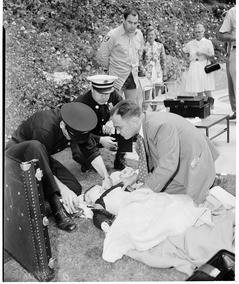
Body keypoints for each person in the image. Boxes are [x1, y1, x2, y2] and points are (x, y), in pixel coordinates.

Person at [5, 102, 113, 232]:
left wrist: (106, 177)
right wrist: (61, 189)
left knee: (74, 188)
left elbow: (91, 151)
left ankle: (41, 198)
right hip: (16, 159)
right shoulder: (44, 127)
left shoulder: (75, 124)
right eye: (73, 137)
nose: (76, 141)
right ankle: (57, 209)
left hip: (41, 157)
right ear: (62, 125)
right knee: (36, 147)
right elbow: (36, 158)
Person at [110, 99, 220, 205]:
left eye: (119, 128)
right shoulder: (146, 123)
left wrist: (145, 189)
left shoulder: (159, 126)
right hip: (183, 162)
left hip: (195, 166)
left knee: (163, 200)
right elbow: (153, 159)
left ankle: (211, 184)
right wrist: (134, 177)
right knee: (157, 193)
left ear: (133, 121)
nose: (118, 132)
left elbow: (167, 166)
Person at [72, 75, 133, 172]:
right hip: (87, 135)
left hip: (107, 131)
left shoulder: (113, 95)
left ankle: (120, 158)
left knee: (127, 127)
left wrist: (113, 121)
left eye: (107, 93)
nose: (104, 97)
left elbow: (127, 111)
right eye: (100, 93)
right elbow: (78, 131)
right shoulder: (81, 104)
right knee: (78, 154)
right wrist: (100, 139)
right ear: (92, 89)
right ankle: (89, 161)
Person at [96, 7, 144, 104]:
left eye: (135, 23)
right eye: (130, 22)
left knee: (131, 108)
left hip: (133, 77)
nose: (133, 26)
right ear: (123, 20)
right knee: (116, 107)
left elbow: (139, 52)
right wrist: (110, 71)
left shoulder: (139, 34)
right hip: (117, 78)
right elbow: (102, 56)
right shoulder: (113, 35)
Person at [182, 23, 216, 110]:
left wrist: (203, 53)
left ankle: (212, 108)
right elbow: (183, 52)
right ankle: (201, 110)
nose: (198, 34)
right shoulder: (190, 43)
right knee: (198, 89)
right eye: (196, 32)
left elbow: (212, 57)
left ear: (203, 32)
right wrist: (188, 59)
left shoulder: (208, 42)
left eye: (199, 32)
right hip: (194, 66)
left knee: (207, 89)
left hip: (204, 66)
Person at [217, 6, 236, 120]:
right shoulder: (232, 15)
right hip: (231, 53)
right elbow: (224, 39)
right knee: (231, 85)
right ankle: (235, 110)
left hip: (232, 52)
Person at [140, 25, 167, 99]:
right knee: (147, 94)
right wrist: (144, 72)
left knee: (156, 93)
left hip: (157, 71)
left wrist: (164, 73)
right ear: (146, 36)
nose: (150, 36)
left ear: (155, 35)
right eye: (149, 34)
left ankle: (154, 108)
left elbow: (163, 60)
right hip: (147, 72)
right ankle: (145, 108)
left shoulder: (160, 46)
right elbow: (139, 61)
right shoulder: (143, 46)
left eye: (152, 34)